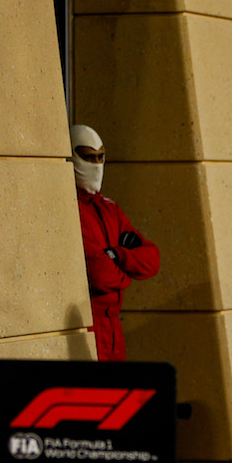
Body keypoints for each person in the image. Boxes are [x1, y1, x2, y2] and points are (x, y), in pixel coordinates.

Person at [71, 124, 160, 361]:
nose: (96, 164)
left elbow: (151, 259)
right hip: (87, 325)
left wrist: (118, 256)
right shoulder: (71, 209)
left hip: (112, 330)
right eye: (89, 157)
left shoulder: (109, 208)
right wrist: (125, 275)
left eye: (100, 157)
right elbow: (99, 273)